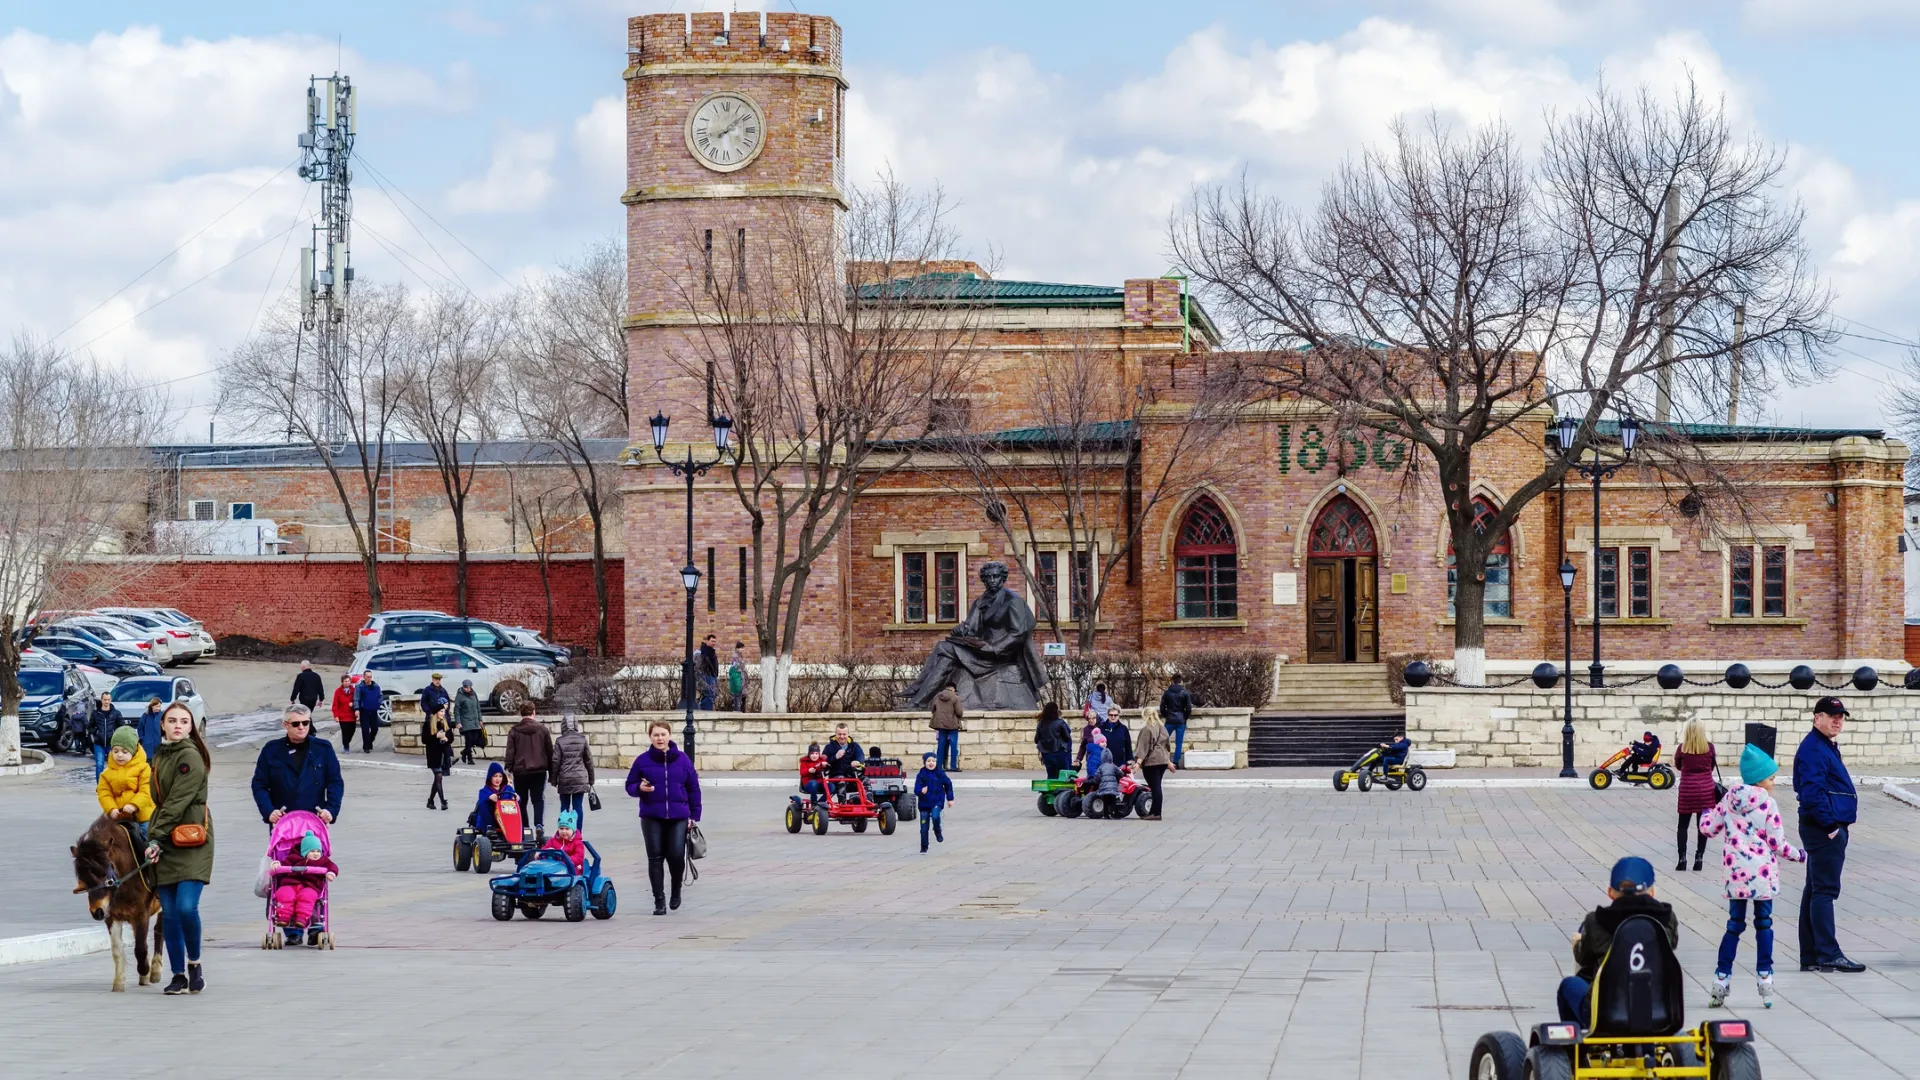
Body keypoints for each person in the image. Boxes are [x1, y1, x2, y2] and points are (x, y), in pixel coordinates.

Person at [1700, 744, 1805, 1008]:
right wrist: (1800, 855)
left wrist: (1704, 815)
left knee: (1734, 925)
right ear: (1758, 778)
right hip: (1762, 875)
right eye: (1770, 777)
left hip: (1736, 874)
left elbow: (1709, 829)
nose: (1774, 781)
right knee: (1764, 923)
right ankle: (1765, 976)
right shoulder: (1768, 804)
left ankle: (1721, 977)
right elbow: (1777, 843)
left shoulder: (1727, 800)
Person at [1555, 856, 1678, 1024]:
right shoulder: (1667, 918)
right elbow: (1671, 944)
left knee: (1569, 985)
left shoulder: (1596, 921)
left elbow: (1584, 958)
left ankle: (1576, 1045)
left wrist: (1577, 944)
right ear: (1652, 892)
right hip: (1659, 1010)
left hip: (1608, 1012)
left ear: (1611, 892)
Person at [145, 702, 213, 996]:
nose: (177, 726)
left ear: (191, 727)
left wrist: (155, 835)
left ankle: (194, 964)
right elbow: (159, 802)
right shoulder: (160, 755)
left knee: (187, 907)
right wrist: (154, 839)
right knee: (169, 914)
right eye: (171, 721)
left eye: (183, 722)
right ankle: (178, 975)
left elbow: (177, 801)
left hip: (191, 838)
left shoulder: (190, 756)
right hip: (165, 838)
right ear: (162, 725)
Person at [1793, 697, 1863, 972]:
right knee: (1824, 891)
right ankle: (1828, 953)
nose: (1837, 720)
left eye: (1841, 716)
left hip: (1823, 828)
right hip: (1824, 830)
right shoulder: (1814, 749)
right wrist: (1832, 827)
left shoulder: (1823, 746)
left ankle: (1810, 955)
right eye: (1832, 715)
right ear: (1816, 718)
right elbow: (1812, 791)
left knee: (1815, 889)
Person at [625, 719, 702, 916]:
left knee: (676, 856)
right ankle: (659, 901)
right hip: (651, 816)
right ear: (650, 737)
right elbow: (630, 785)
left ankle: (676, 889)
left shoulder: (683, 759)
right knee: (655, 858)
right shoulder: (642, 760)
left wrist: (695, 815)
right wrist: (639, 789)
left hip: (678, 816)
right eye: (656, 735)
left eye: (663, 734)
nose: (660, 738)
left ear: (669, 736)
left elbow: (693, 788)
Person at [250, 704, 344, 826]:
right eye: (296, 724)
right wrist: (269, 811)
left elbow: (335, 781)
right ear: (285, 724)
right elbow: (259, 785)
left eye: (305, 723)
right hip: (283, 823)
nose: (301, 727)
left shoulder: (323, 749)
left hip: (315, 821)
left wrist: (331, 810)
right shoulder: (271, 751)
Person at [95, 726, 154, 845]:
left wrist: (133, 805)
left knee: (147, 840)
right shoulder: (106, 774)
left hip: (142, 816)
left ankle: (149, 860)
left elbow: (146, 790)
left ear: (133, 751)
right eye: (115, 751)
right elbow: (104, 793)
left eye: (124, 752)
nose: (120, 755)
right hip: (118, 817)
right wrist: (111, 809)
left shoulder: (144, 769)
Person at [269, 831, 337, 933]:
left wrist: (331, 873)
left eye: (318, 851)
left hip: (310, 886)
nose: (316, 854)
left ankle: (302, 918)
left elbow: (333, 867)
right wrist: (277, 864)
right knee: (284, 894)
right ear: (304, 851)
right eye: (312, 851)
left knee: (307, 897)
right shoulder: (293, 858)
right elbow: (283, 864)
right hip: (290, 883)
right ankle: (283, 916)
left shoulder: (323, 861)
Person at [1673, 719, 1717, 871]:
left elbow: (1678, 765)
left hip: (1687, 791)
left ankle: (1682, 859)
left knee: (1682, 826)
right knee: (1702, 826)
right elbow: (1711, 767)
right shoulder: (1709, 748)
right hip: (1706, 792)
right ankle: (1699, 857)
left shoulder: (1682, 748)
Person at [505, 704, 554, 833]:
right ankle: (538, 824)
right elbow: (550, 751)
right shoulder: (542, 729)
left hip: (520, 771)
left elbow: (510, 752)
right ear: (534, 712)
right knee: (538, 799)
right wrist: (552, 771)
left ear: (521, 713)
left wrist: (508, 768)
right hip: (539, 770)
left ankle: (525, 827)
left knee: (521, 800)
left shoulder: (514, 731)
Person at [553, 714, 596, 826]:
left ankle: (564, 832)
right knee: (578, 807)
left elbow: (555, 762)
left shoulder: (559, 741)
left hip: (564, 779)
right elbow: (589, 761)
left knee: (564, 806)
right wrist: (591, 780)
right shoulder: (582, 740)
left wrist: (553, 779)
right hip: (579, 779)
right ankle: (577, 834)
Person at [1135, 708, 1174, 821]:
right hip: (1162, 761)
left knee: (1155, 787)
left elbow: (1143, 748)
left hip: (1152, 762)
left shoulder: (1147, 729)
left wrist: (1138, 763)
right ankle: (1153, 811)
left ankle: (1156, 813)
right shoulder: (1162, 728)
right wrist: (1168, 762)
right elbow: (1167, 746)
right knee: (1157, 786)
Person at [914, 751, 954, 853]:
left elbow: (948, 785)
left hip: (937, 801)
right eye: (928, 761)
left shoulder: (940, 773)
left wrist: (950, 799)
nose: (931, 763)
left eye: (933, 761)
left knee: (936, 816)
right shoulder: (921, 775)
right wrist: (921, 791)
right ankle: (924, 847)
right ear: (924, 762)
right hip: (924, 804)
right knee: (923, 827)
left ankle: (937, 831)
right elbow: (916, 789)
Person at [421, 704, 453, 810]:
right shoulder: (428, 724)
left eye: (444, 712)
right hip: (433, 754)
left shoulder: (445, 723)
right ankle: (443, 801)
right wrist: (436, 737)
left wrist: (446, 739)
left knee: (437, 779)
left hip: (443, 754)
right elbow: (424, 740)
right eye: (441, 712)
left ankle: (430, 801)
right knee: (438, 776)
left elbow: (451, 737)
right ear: (436, 713)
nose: (443, 714)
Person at [1159, 674, 1193, 767]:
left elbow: (1162, 707)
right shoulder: (1185, 692)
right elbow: (1189, 708)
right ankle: (1176, 762)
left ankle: (1164, 760)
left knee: (1162, 741)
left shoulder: (1167, 693)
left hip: (1169, 719)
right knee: (1179, 743)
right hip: (1181, 720)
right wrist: (1184, 716)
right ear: (1180, 681)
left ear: (1172, 681)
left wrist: (1167, 715)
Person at [929, 681, 964, 773]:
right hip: (952, 725)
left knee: (941, 746)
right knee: (953, 746)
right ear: (953, 688)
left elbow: (932, 709)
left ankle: (939, 766)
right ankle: (953, 766)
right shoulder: (955, 698)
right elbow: (959, 712)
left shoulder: (937, 697)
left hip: (940, 724)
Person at [473, 763, 517, 832]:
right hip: (491, 820)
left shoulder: (508, 789)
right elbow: (482, 801)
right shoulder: (484, 791)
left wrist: (517, 798)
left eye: (500, 776)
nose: (498, 779)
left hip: (506, 819)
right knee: (483, 803)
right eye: (495, 776)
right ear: (490, 777)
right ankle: (489, 828)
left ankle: (519, 833)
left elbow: (513, 796)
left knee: (516, 805)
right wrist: (489, 798)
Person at [1034, 702, 1073, 780]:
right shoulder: (1060, 723)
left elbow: (1036, 740)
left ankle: (1052, 791)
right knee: (1064, 776)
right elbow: (1067, 737)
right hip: (1059, 752)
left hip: (1047, 754)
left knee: (1051, 776)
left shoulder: (1041, 724)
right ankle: (1063, 791)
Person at [87, 691, 118, 779]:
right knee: (99, 765)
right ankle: (100, 787)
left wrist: (116, 735)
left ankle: (111, 786)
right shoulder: (96, 713)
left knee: (112, 766)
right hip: (99, 743)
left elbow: (121, 726)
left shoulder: (115, 713)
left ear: (111, 700)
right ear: (102, 700)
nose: (107, 702)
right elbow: (90, 727)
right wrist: (95, 733)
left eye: (108, 700)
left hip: (111, 744)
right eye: (105, 700)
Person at [453, 678, 484, 764]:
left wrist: (480, 719)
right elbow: (456, 710)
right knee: (469, 740)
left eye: (468, 687)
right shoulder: (459, 696)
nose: (467, 689)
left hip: (475, 721)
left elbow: (478, 708)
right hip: (465, 721)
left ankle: (464, 752)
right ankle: (470, 759)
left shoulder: (474, 694)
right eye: (465, 687)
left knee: (475, 740)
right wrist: (458, 722)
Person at [351, 673, 382, 753]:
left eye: (370, 677)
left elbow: (380, 696)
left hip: (373, 710)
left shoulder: (376, 686)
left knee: (375, 728)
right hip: (364, 710)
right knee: (365, 729)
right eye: (367, 677)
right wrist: (357, 709)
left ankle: (369, 741)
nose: (369, 678)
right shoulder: (360, 686)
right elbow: (356, 698)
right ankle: (366, 747)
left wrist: (378, 704)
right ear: (364, 677)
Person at [331, 674, 357, 752]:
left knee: (352, 730)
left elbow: (358, 700)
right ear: (342, 682)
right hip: (343, 716)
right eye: (345, 681)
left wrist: (353, 704)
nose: (347, 683)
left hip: (352, 716)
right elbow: (335, 705)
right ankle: (346, 746)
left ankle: (347, 742)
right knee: (345, 732)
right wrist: (336, 716)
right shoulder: (338, 691)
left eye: (349, 681)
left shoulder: (354, 690)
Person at [696, 633, 720, 710]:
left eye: (715, 641)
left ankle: (705, 710)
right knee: (708, 693)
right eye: (712, 641)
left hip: (712, 676)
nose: (714, 643)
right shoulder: (701, 652)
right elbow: (697, 667)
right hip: (705, 676)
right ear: (707, 641)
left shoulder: (712, 653)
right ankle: (705, 711)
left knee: (712, 694)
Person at [137, 696, 165, 761]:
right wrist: (142, 738)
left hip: (158, 743)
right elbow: (140, 728)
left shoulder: (162, 716)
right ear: (152, 706)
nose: (158, 708)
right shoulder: (145, 716)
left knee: (157, 762)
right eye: (156, 706)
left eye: (159, 706)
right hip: (147, 744)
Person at [729, 642, 748, 712]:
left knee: (741, 696)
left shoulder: (739, 656)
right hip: (738, 679)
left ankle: (739, 710)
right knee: (737, 696)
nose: (742, 649)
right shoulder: (736, 657)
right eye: (741, 648)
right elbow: (736, 669)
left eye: (743, 648)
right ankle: (737, 711)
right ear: (737, 648)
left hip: (741, 679)